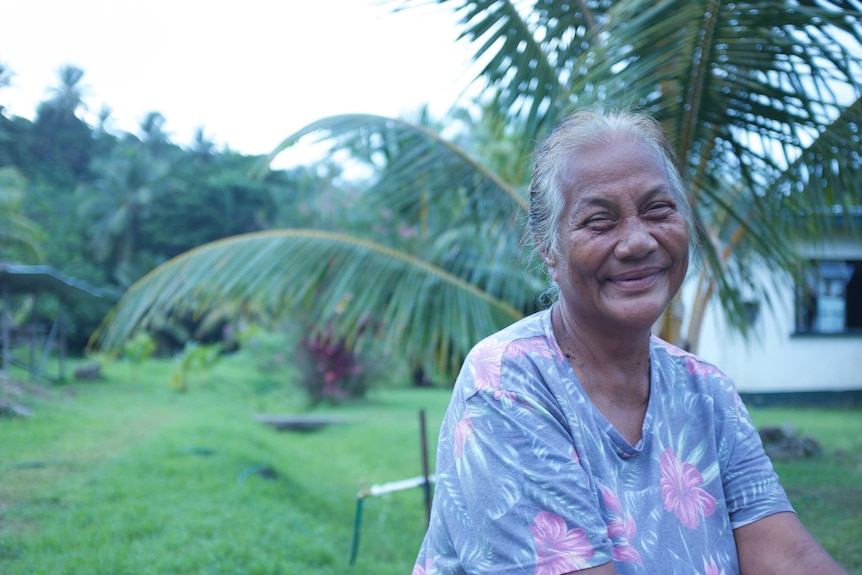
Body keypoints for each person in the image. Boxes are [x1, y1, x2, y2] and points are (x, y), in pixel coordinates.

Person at [412, 109, 847, 574]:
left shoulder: (707, 392)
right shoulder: (506, 385)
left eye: (659, 210)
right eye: (599, 221)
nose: (638, 241)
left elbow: (784, 554)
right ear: (547, 247)